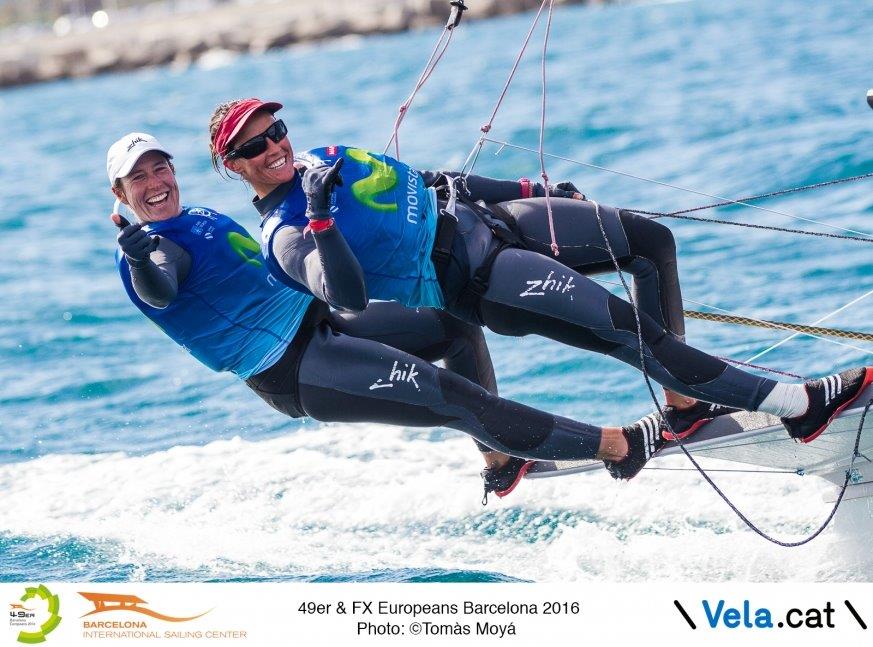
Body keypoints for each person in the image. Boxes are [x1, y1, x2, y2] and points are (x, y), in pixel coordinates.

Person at [206, 98, 873, 463]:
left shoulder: (326, 155)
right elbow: (345, 296)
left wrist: (529, 187)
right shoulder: (285, 232)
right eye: (254, 147)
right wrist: (321, 212)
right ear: (234, 167)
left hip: (493, 220)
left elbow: (435, 182)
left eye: (276, 130)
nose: (274, 147)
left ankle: (684, 406)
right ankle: (800, 405)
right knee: (629, 331)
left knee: (648, 242)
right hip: (481, 275)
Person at [107, 131, 684, 508]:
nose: (156, 184)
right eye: (140, 179)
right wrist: (138, 255)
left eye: (161, 169)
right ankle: (619, 446)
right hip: (296, 366)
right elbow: (160, 286)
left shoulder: (196, 217)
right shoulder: (154, 248)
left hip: (322, 320)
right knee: (458, 400)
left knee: (454, 323)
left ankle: (500, 461)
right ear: (120, 192)